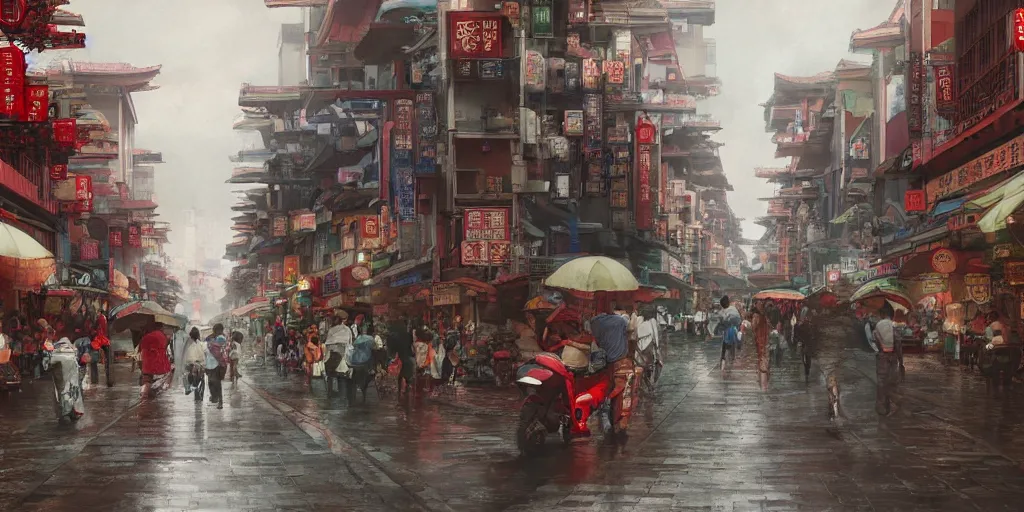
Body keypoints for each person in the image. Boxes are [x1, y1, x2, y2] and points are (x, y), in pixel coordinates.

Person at [589, 304, 634, 434]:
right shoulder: (621, 320)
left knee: (607, 387)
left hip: (603, 361)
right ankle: (607, 406)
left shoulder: (594, 322)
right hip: (620, 361)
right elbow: (630, 330)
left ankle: (605, 407)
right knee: (622, 390)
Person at [871, 303, 902, 416]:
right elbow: (898, 344)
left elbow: (874, 340)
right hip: (893, 357)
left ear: (882, 314)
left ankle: (881, 406)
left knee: (881, 381)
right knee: (892, 381)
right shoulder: (894, 325)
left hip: (882, 357)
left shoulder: (877, 325)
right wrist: (901, 361)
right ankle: (892, 404)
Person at [138, 323, 172, 399]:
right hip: (161, 364)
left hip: (148, 363)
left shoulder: (147, 337)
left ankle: (144, 395)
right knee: (154, 381)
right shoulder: (163, 336)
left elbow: (141, 349)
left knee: (146, 380)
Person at [324, 314, 354, 397]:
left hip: (333, 355)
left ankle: (330, 393)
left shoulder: (331, 330)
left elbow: (328, 345)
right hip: (343, 355)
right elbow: (350, 343)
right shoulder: (347, 329)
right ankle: (342, 394)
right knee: (342, 377)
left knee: (330, 375)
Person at [387, 315, 415, 398]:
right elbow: (411, 345)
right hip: (407, 356)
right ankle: (407, 388)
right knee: (407, 373)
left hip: (400, 356)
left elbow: (392, 347)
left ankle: (400, 390)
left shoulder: (394, 335)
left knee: (400, 374)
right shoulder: (407, 335)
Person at [204, 324, 230, 409]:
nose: (219, 332)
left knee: (217, 383)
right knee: (211, 382)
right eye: (218, 330)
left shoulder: (222, 338)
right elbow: (206, 345)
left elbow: (224, 350)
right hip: (210, 364)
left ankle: (220, 401)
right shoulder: (211, 338)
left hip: (217, 364)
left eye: (220, 330)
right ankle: (215, 397)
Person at [750, 304, 771, 391]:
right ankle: (765, 379)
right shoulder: (765, 317)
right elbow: (769, 328)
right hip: (765, 340)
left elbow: (753, 327)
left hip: (760, 340)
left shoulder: (756, 316)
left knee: (761, 358)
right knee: (764, 357)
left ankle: (763, 383)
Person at [183, 327, 206, 402]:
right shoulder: (198, 343)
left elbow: (186, 354)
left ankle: (193, 392)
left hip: (192, 364)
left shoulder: (189, 342)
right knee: (200, 380)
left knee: (194, 380)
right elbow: (202, 354)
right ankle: (198, 396)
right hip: (199, 364)